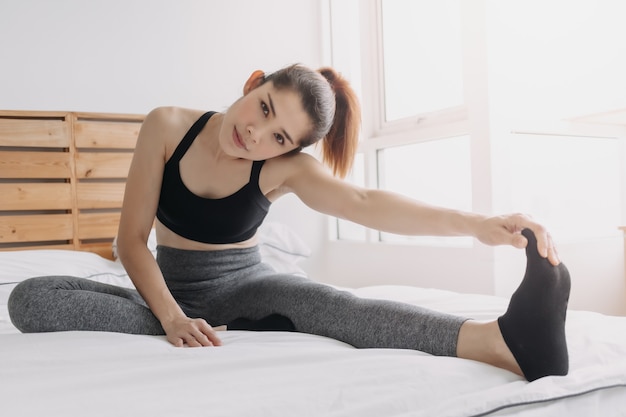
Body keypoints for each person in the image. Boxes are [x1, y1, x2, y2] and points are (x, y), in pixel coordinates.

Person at [8, 64, 570, 382]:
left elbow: (367, 203)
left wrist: (477, 224)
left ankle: (501, 341)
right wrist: (174, 318)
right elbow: (130, 243)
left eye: (278, 137)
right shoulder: (167, 126)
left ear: (289, 151)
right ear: (253, 84)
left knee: (335, 307)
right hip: (164, 292)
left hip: (248, 288)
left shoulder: (283, 170)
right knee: (30, 298)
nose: (255, 134)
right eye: (265, 108)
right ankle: (216, 323)